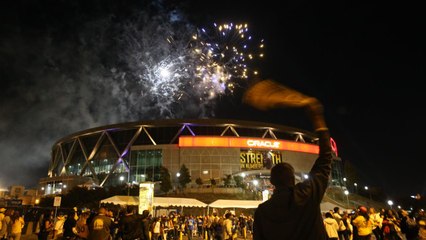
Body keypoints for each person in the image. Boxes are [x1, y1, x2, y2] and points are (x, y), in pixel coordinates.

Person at [244, 80, 333, 240]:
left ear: (271, 182)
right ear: (293, 179)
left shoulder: (262, 211)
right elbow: (326, 157)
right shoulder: (307, 194)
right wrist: (318, 119)